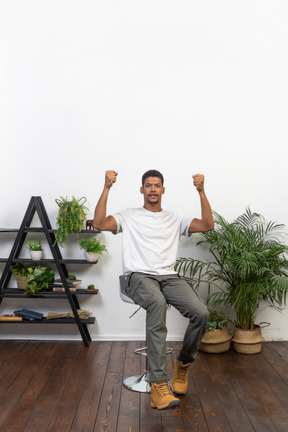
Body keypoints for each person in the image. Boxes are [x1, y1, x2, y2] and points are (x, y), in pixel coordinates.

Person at [93, 169, 214, 410]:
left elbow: (208, 225)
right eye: (148, 185)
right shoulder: (129, 215)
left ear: (163, 190)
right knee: (157, 303)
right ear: (142, 190)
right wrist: (107, 187)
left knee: (201, 313)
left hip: (169, 277)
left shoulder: (174, 218)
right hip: (138, 276)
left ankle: (182, 364)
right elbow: (99, 223)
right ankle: (159, 385)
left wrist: (201, 191)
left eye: (157, 185)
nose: (152, 189)